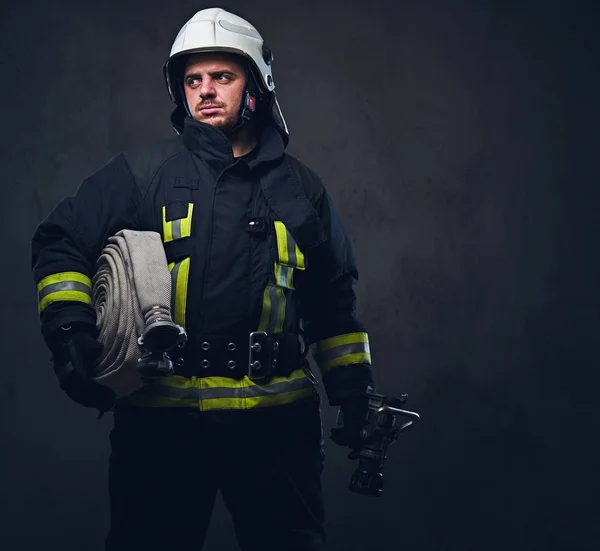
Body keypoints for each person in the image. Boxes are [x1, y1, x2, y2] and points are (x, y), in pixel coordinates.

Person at [31, 7, 375, 551]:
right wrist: (72, 328)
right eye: (193, 79)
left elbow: (333, 301)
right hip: (162, 428)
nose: (205, 91)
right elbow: (59, 240)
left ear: (256, 85)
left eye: (222, 77)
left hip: (276, 430)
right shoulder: (142, 175)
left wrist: (354, 394)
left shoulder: (301, 191)